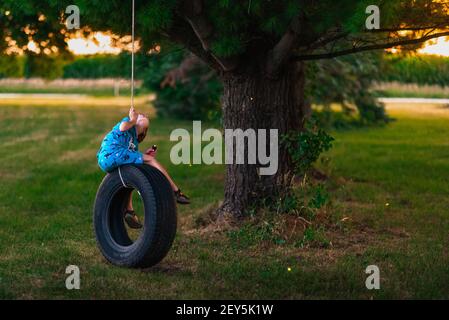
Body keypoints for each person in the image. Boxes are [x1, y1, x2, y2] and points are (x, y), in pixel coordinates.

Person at [97, 106, 190, 229]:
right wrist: (132, 119)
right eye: (141, 116)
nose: (143, 115)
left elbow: (133, 156)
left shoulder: (133, 144)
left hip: (109, 159)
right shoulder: (128, 122)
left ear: (143, 132)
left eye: (144, 117)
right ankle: (175, 191)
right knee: (150, 160)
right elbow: (123, 127)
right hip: (111, 152)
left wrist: (145, 154)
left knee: (131, 174)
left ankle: (129, 211)